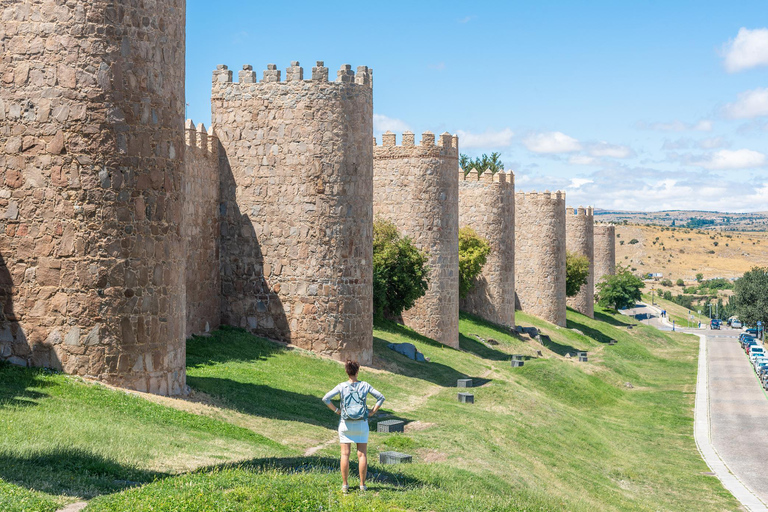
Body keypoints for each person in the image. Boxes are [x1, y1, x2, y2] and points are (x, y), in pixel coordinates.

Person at [322, 360, 385, 493]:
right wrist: (372, 412)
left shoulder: (341, 386)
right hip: (361, 424)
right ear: (357, 371)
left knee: (345, 454)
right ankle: (362, 485)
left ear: (347, 371)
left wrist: (337, 410)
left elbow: (326, 398)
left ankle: (345, 485)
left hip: (345, 424)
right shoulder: (365, 385)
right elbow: (381, 398)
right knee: (362, 455)